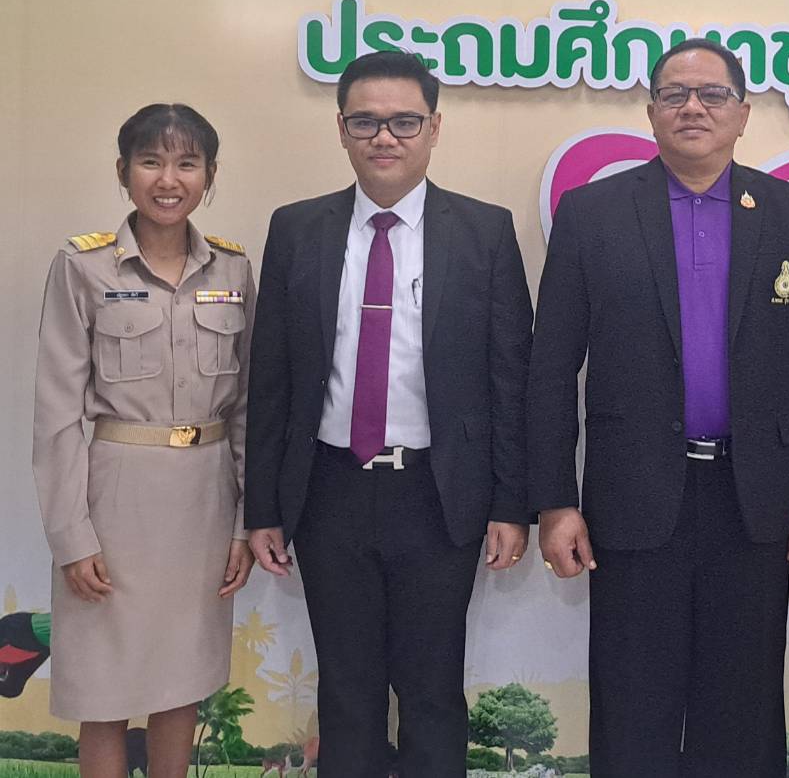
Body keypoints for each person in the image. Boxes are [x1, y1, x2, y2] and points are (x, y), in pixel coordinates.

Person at [527, 38, 789, 778]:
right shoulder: (593, 213)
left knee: (741, 707)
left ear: (743, 112)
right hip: (632, 496)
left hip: (754, 498)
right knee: (631, 702)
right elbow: (551, 369)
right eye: (674, 94)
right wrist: (554, 501)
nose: (693, 107)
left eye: (712, 94)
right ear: (651, 112)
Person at [244, 51, 533, 777]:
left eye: (404, 121)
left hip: (438, 492)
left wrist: (510, 504)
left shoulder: (485, 232)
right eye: (365, 121)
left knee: (432, 690)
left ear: (434, 128)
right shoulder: (297, 229)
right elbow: (271, 378)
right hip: (328, 489)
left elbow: (509, 381)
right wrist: (263, 508)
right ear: (341, 129)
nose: (384, 137)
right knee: (347, 692)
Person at [33, 104, 254, 778]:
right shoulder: (83, 266)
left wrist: (245, 524)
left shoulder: (232, 271)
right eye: (151, 161)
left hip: (204, 502)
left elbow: (248, 408)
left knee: (181, 683)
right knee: (103, 689)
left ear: (210, 174)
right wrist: (72, 537)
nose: (168, 179)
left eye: (187, 163)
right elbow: (56, 414)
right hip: (114, 499)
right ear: (123, 171)